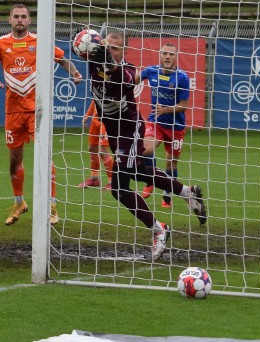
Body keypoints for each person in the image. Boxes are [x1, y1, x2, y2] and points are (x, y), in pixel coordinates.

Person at [87, 31, 206, 259]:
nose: (110, 51)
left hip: (129, 131)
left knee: (119, 189)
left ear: (123, 52)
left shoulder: (127, 70)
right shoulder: (95, 65)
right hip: (115, 135)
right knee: (139, 173)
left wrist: (109, 61)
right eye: (107, 47)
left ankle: (158, 229)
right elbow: (85, 51)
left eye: (115, 49)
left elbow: (127, 77)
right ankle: (186, 192)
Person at [0, 3, 82, 226]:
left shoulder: (39, 41)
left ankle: (52, 206)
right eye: (16, 16)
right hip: (13, 111)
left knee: (45, 157)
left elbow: (61, 58)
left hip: (36, 110)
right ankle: (19, 203)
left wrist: (75, 73)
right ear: (10, 20)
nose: (19, 20)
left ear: (29, 20)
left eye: (23, 17)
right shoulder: (1, 43)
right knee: (14, 160)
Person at [139, 43, 190, 208]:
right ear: (160, 55)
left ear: (175, 57)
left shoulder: (182, 77)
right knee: (145, 149)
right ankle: (150, 180)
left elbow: (184, 105)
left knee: (171, 163)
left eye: (171, 54)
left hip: (176, 126)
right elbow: (132, 80)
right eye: (165, 54)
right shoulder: (150, 71)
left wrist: (166, 109)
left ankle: (167, 195)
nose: (167, 57)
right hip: (156, 121)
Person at [78, 100, 114, 190]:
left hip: (106, 120)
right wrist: (87, 115)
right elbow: (94, 100)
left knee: (103, 151)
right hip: (95, 120)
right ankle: (94, 179)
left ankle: (112, 182)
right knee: (92, 148)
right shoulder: (97, 87)